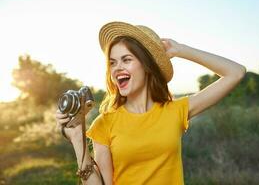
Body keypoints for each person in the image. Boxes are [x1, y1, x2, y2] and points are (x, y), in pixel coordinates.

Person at [55, 21, 246, 185]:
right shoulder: (104, 124)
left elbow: (235, 72)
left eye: (126, 59)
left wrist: (181, 50)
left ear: (146, 66)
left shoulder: (175, 111)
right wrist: (77, 138)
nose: (117, 68)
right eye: (112, 62)